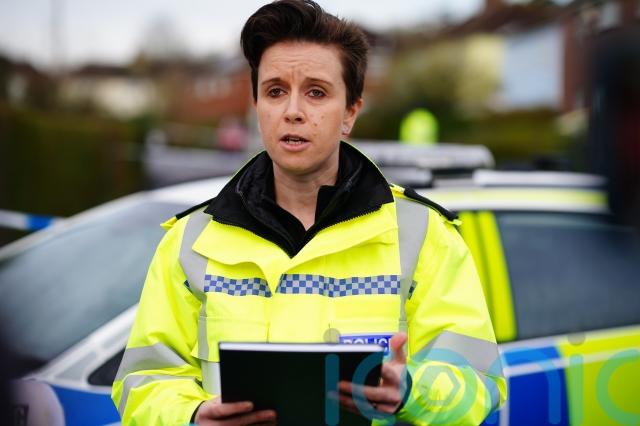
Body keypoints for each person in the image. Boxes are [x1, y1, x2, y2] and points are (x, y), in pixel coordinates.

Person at [111, 1, 507, 424]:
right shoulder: (190, 241)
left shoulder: (423, 235)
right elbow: (143, 381)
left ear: (350, 112)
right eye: (275, 91)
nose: (293, 111)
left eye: (316, 92)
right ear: (256, 106)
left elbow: (478, 385)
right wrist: (192, 416)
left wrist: (412, 391)